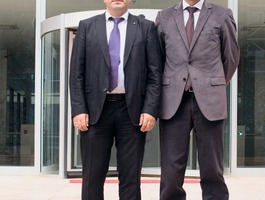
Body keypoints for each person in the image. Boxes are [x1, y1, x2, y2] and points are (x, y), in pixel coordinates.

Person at [69, 0, 161, 199]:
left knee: (130, 177)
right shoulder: (87, 26)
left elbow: (155, 73)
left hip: (133, 113)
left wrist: (150, 109)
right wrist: (78, 109)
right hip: (94, 113)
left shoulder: (146, 28)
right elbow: (76, 73)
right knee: (92, 176)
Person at [155, 0, 240, 199]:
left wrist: (212, 83)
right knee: (171, 168)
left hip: (209, 101)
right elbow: (157, 60)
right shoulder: (164, 17)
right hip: (173, 101)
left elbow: (232, 57)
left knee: (212, 166)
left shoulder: (222, 14)